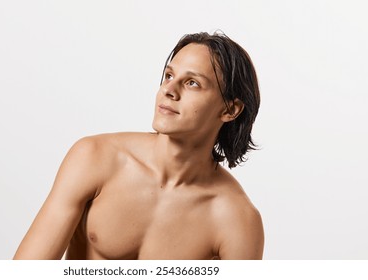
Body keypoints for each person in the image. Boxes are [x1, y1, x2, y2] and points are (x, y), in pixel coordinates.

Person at [14, 31, 264, 260]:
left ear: (230, 109)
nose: (169, 90)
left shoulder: (236, 219)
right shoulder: (96, 158)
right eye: (169, 75)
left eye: (192, 83)